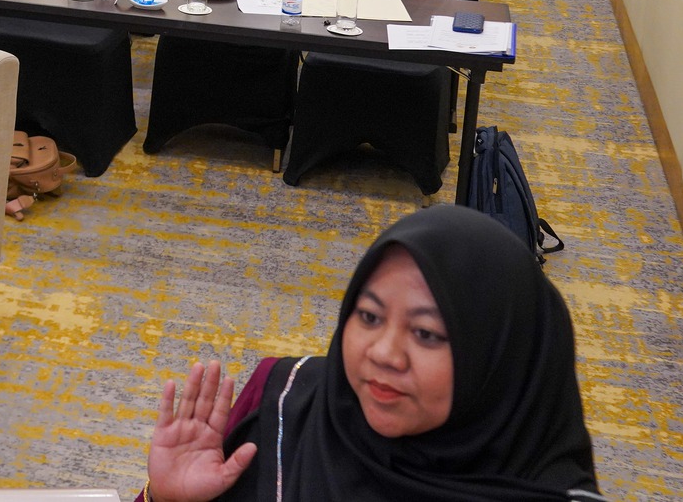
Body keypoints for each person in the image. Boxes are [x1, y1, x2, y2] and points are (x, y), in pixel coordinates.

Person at [143, 205, 600, 501]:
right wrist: (164, 498)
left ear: (500, 362)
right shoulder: (285, 402)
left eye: (426, 334)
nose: (384, 353)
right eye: (369, 316)